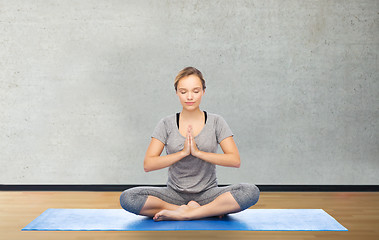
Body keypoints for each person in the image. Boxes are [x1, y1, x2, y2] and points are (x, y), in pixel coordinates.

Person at [120, 67, 259, 221]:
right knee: (128, 198)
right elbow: (148, 164)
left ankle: (187, 214)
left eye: (196, 91)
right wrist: (183, 153)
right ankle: (196, 211)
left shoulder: (216, 121)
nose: (190, 97)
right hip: (173, 194)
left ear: (203, 92)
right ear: (177, 93)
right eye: (183, 91)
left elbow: (235, 160)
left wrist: (198, 153)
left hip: (208, 193)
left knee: (250, 191)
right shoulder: (166, 123)